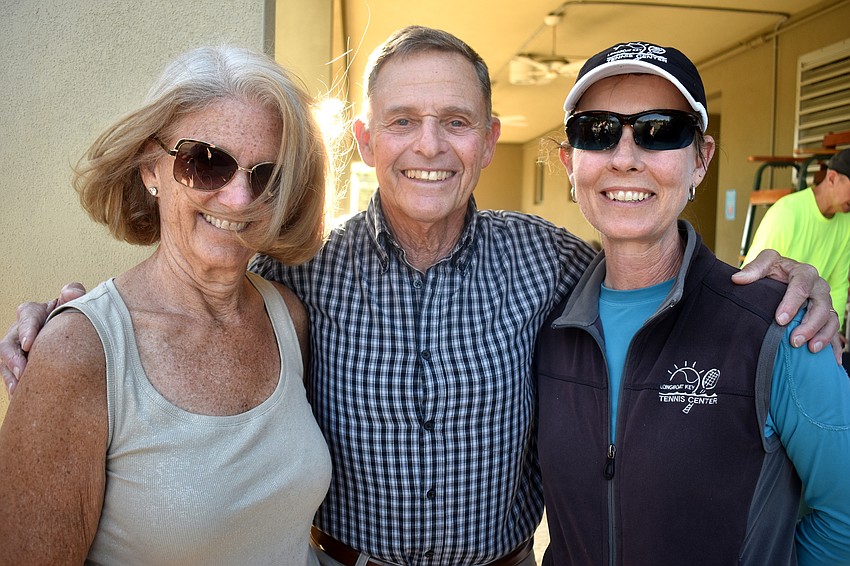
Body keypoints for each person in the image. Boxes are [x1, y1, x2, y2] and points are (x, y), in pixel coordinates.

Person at [0, 27, 840, 566]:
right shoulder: (300, 278)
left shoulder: (553, 264)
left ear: (489, 140)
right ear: (365, 140)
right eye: (402, 121)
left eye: (456, 121)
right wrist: (69, 323)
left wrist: (779, 279)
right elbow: (184, 297)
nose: (428, 146)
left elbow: (649, 266)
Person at [0, 45, 332, 565]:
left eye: (266, 175)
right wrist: (65, 336)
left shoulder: (287, 316)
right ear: (150, 168)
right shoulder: (79, 352)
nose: (239, 198)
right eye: (207, 163)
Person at [536, 41, 850, 565]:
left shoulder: (778, 328)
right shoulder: (543, 323)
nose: (625, 158)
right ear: (571, 162)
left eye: (661, 130)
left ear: (701, 160)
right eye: (597, 130)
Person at [744, 148, 850, 328]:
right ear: (832, 178)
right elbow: (754, 272)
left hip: (810, 322)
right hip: (769, 318)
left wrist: (834, 331)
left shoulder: (846, 222)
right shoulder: (787, 211)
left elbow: (838, 285)